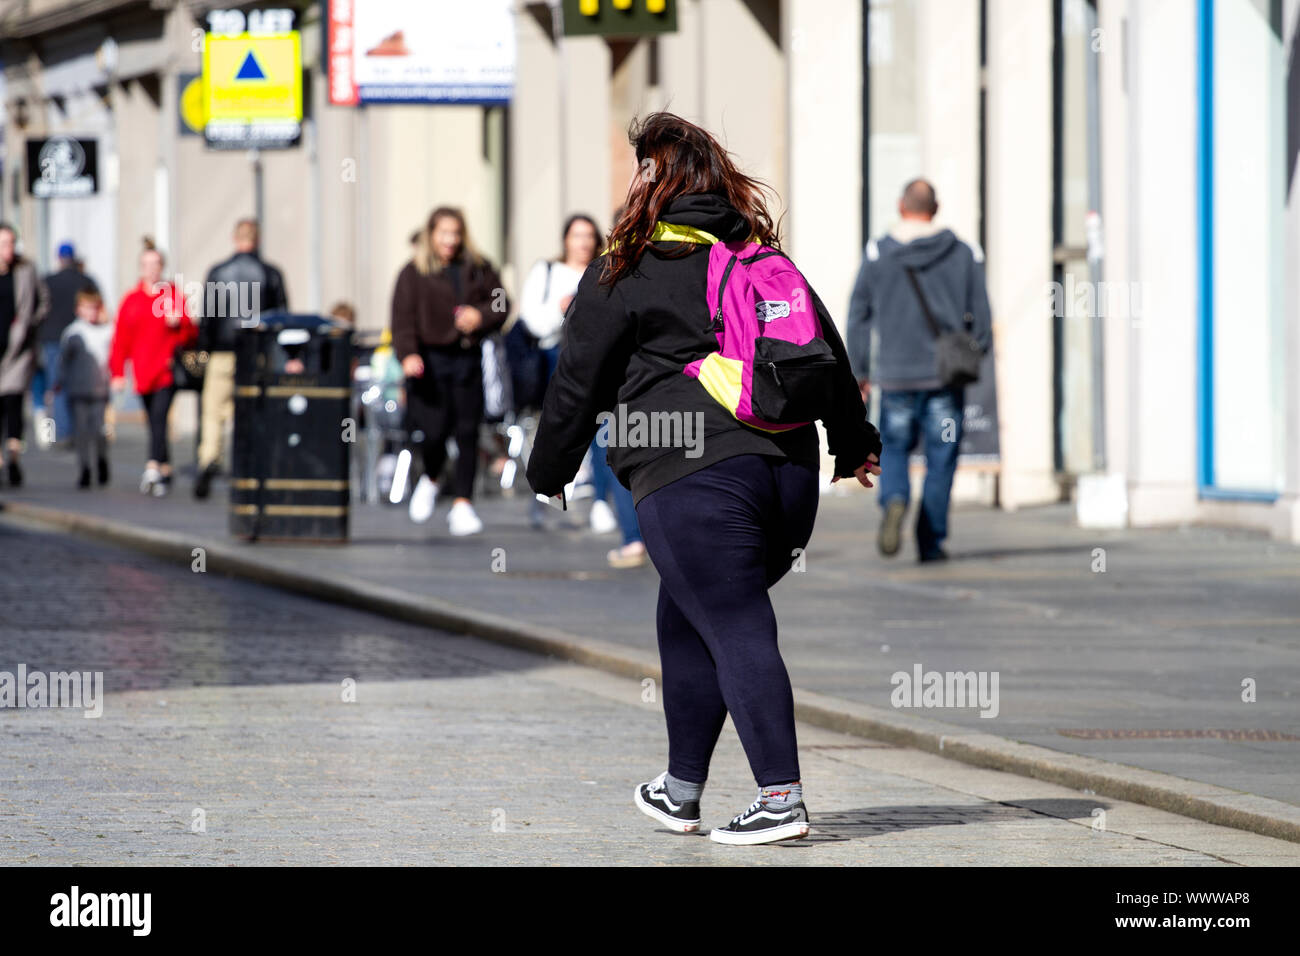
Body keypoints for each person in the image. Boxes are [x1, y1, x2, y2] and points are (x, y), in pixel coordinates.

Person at [525, 112, 881, 845]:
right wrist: (853, 444)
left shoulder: (628, 264)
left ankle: (780, 798)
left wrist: (549, 468)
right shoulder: (757, 254)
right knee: (688, 614)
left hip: (691, 477)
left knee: (733, 621)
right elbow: (826, 351)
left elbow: (577, 379)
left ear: (651, 180)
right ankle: (680, 789)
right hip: (788, 477)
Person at [846, 178, 993, 562]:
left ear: (901, 206)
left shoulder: (879, 253)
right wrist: (974, 353)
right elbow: (982, 317)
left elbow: (858, 313)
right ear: (936, 208)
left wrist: (859, 370)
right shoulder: (962, 252)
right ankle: (930, 542)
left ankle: (895, 498)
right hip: (945, 376)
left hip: (895, 377)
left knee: (893, 448)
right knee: (941, 458)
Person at [390, 206, 510, 536]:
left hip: (467, 358)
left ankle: (463, 503)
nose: (450, 240)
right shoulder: (413, 273)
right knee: (434, 431)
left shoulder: (478, 267)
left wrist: (480, 316)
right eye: (444, 233)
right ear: (431, 234)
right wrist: (408, 355)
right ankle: (431, 476)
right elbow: (401, 320)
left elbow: (501, 303)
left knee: (467, 432)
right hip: (428, 363)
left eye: (456, 233)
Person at [193, 218, 289, 499]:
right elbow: (280, 319)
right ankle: (248, 464)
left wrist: (203, 351)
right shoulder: (270, 274)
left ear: (235, 239)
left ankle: (209, 458)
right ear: (257, 240)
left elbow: (208, 318)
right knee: (250, 411)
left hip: (222, 352)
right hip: (256, 353)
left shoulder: (218, 272)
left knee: (213, 412)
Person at [109, 240, 198, 497]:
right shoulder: (132, 300)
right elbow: (121, 339)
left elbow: (191, 334)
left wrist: (178, 322)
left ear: (162, 267)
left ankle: (152, 467)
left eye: (156, 264)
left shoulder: (172, 295)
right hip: (142, 371)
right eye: (146, 264)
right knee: (153, 420)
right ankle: (165, 465)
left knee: (159, 417)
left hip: (166, 370)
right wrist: (117, 373)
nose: (151, 269)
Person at [0, 222, 51, 487]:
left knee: (13, 404)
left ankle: (13, 458)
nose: (8, 249)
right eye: (3, 244)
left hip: (17, 350)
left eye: (11, 243)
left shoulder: (25, 270)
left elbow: (43, 301)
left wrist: (31, 323)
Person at [35, 242, 98, 447]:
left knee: (57, 385)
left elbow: (39, 310)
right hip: (81, 339)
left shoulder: (48, 281)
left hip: (53, 340)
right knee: (81, 385)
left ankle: (64, 432)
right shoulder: (85, 280)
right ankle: (83, 430)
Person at [57, 289, 113, 488]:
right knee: (81, 432)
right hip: (78, 390)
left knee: (99, 430)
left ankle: (101, 459)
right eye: (87, 308)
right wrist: (59, 382)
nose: (91, 312)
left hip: (100, 390)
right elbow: (63, 361)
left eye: (94, 308)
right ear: (78, 309)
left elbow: (113, 358)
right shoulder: (73, 333)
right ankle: (84, 468)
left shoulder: (107, 331)